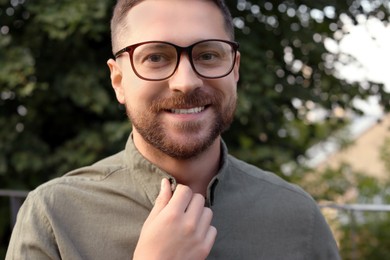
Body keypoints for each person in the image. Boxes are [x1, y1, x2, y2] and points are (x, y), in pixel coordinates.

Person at [6, 0, 340, 259]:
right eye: (156, 58)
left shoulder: (297, 217)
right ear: (118, 80)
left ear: (234, 70)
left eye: (208, 54)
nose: (186, 82)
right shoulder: (54, 216)